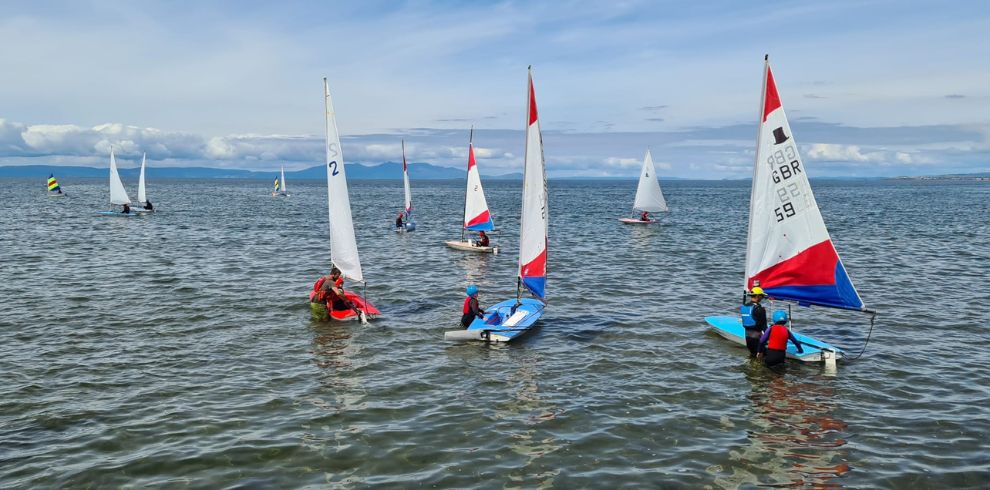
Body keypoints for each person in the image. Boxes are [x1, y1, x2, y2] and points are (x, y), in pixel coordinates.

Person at [740, 286, 768, 357]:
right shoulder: (760, 309)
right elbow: (764, 327)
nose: (762, 298)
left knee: (753, 355)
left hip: (747, 338)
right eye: (762, 296)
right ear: (758, 296)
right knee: (761, 358)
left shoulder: (744, 306)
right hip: (757, 339)